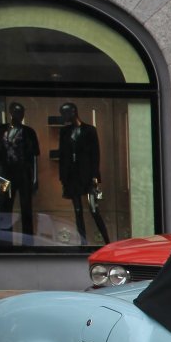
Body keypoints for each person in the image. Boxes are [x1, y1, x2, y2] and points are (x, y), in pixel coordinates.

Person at [57, 101, 109, 245]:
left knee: (94, 209)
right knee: (78, 210)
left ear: (73, 112)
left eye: (65, 113)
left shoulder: (89, 130)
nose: (63, 117)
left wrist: (95, 176)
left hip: (87, 174)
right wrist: (63, 177)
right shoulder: (64, 132)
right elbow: (62, 155)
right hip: (71, 175)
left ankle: (107, 240)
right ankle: (83, 242)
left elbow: (95, 154)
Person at [0, 102, 40, 246]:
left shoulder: (29, 132)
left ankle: (28, 242)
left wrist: (35, 178)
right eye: (16, 112)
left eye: (21, 112)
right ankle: (4, 242)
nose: (19, 115)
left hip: (24, 172)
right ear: (10, 113)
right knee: (4, 206)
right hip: (6, 172)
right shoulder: (1, 130)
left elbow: (34, 157)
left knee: (26, 207)